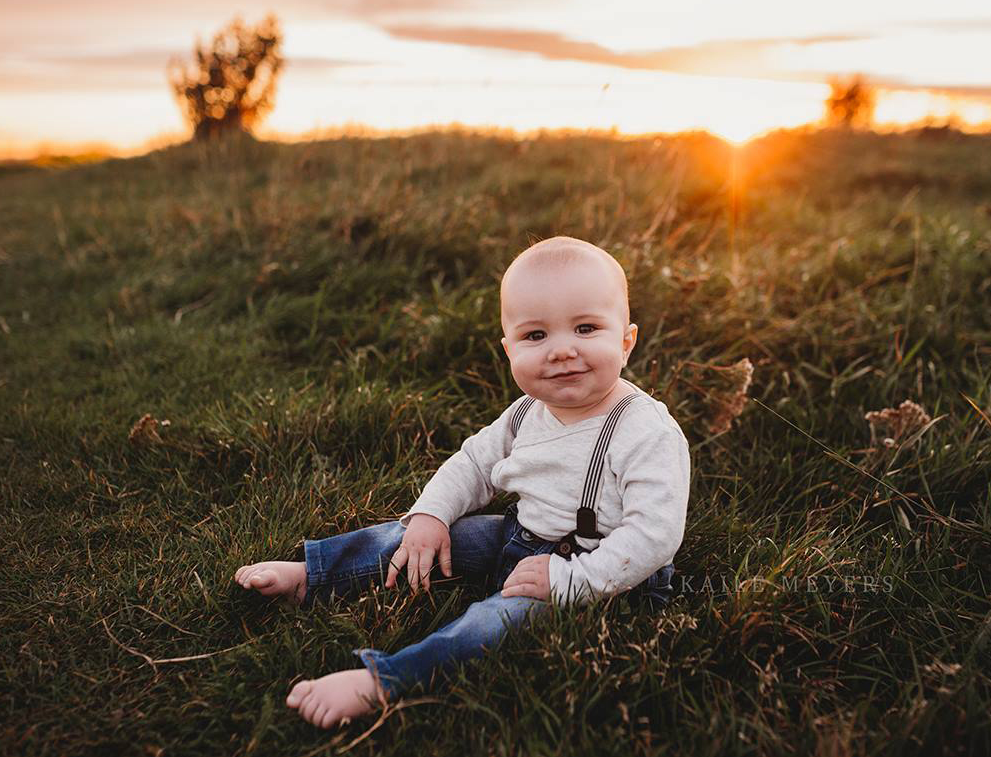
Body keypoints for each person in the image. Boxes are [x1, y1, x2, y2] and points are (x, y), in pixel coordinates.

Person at [233, 235, 691, 729]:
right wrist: (432, 515)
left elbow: (654, 535)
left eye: (585, 328)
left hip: (600, 578)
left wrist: (570, 582)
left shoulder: (645, 431)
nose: (562, 351)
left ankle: (384, 683)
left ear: (626, 341)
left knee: (489, 623)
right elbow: (473, 463)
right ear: (508, 347)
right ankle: (316, 576)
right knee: (411, 537)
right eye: (535, 336)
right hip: (523, 537)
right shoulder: (527, 412)